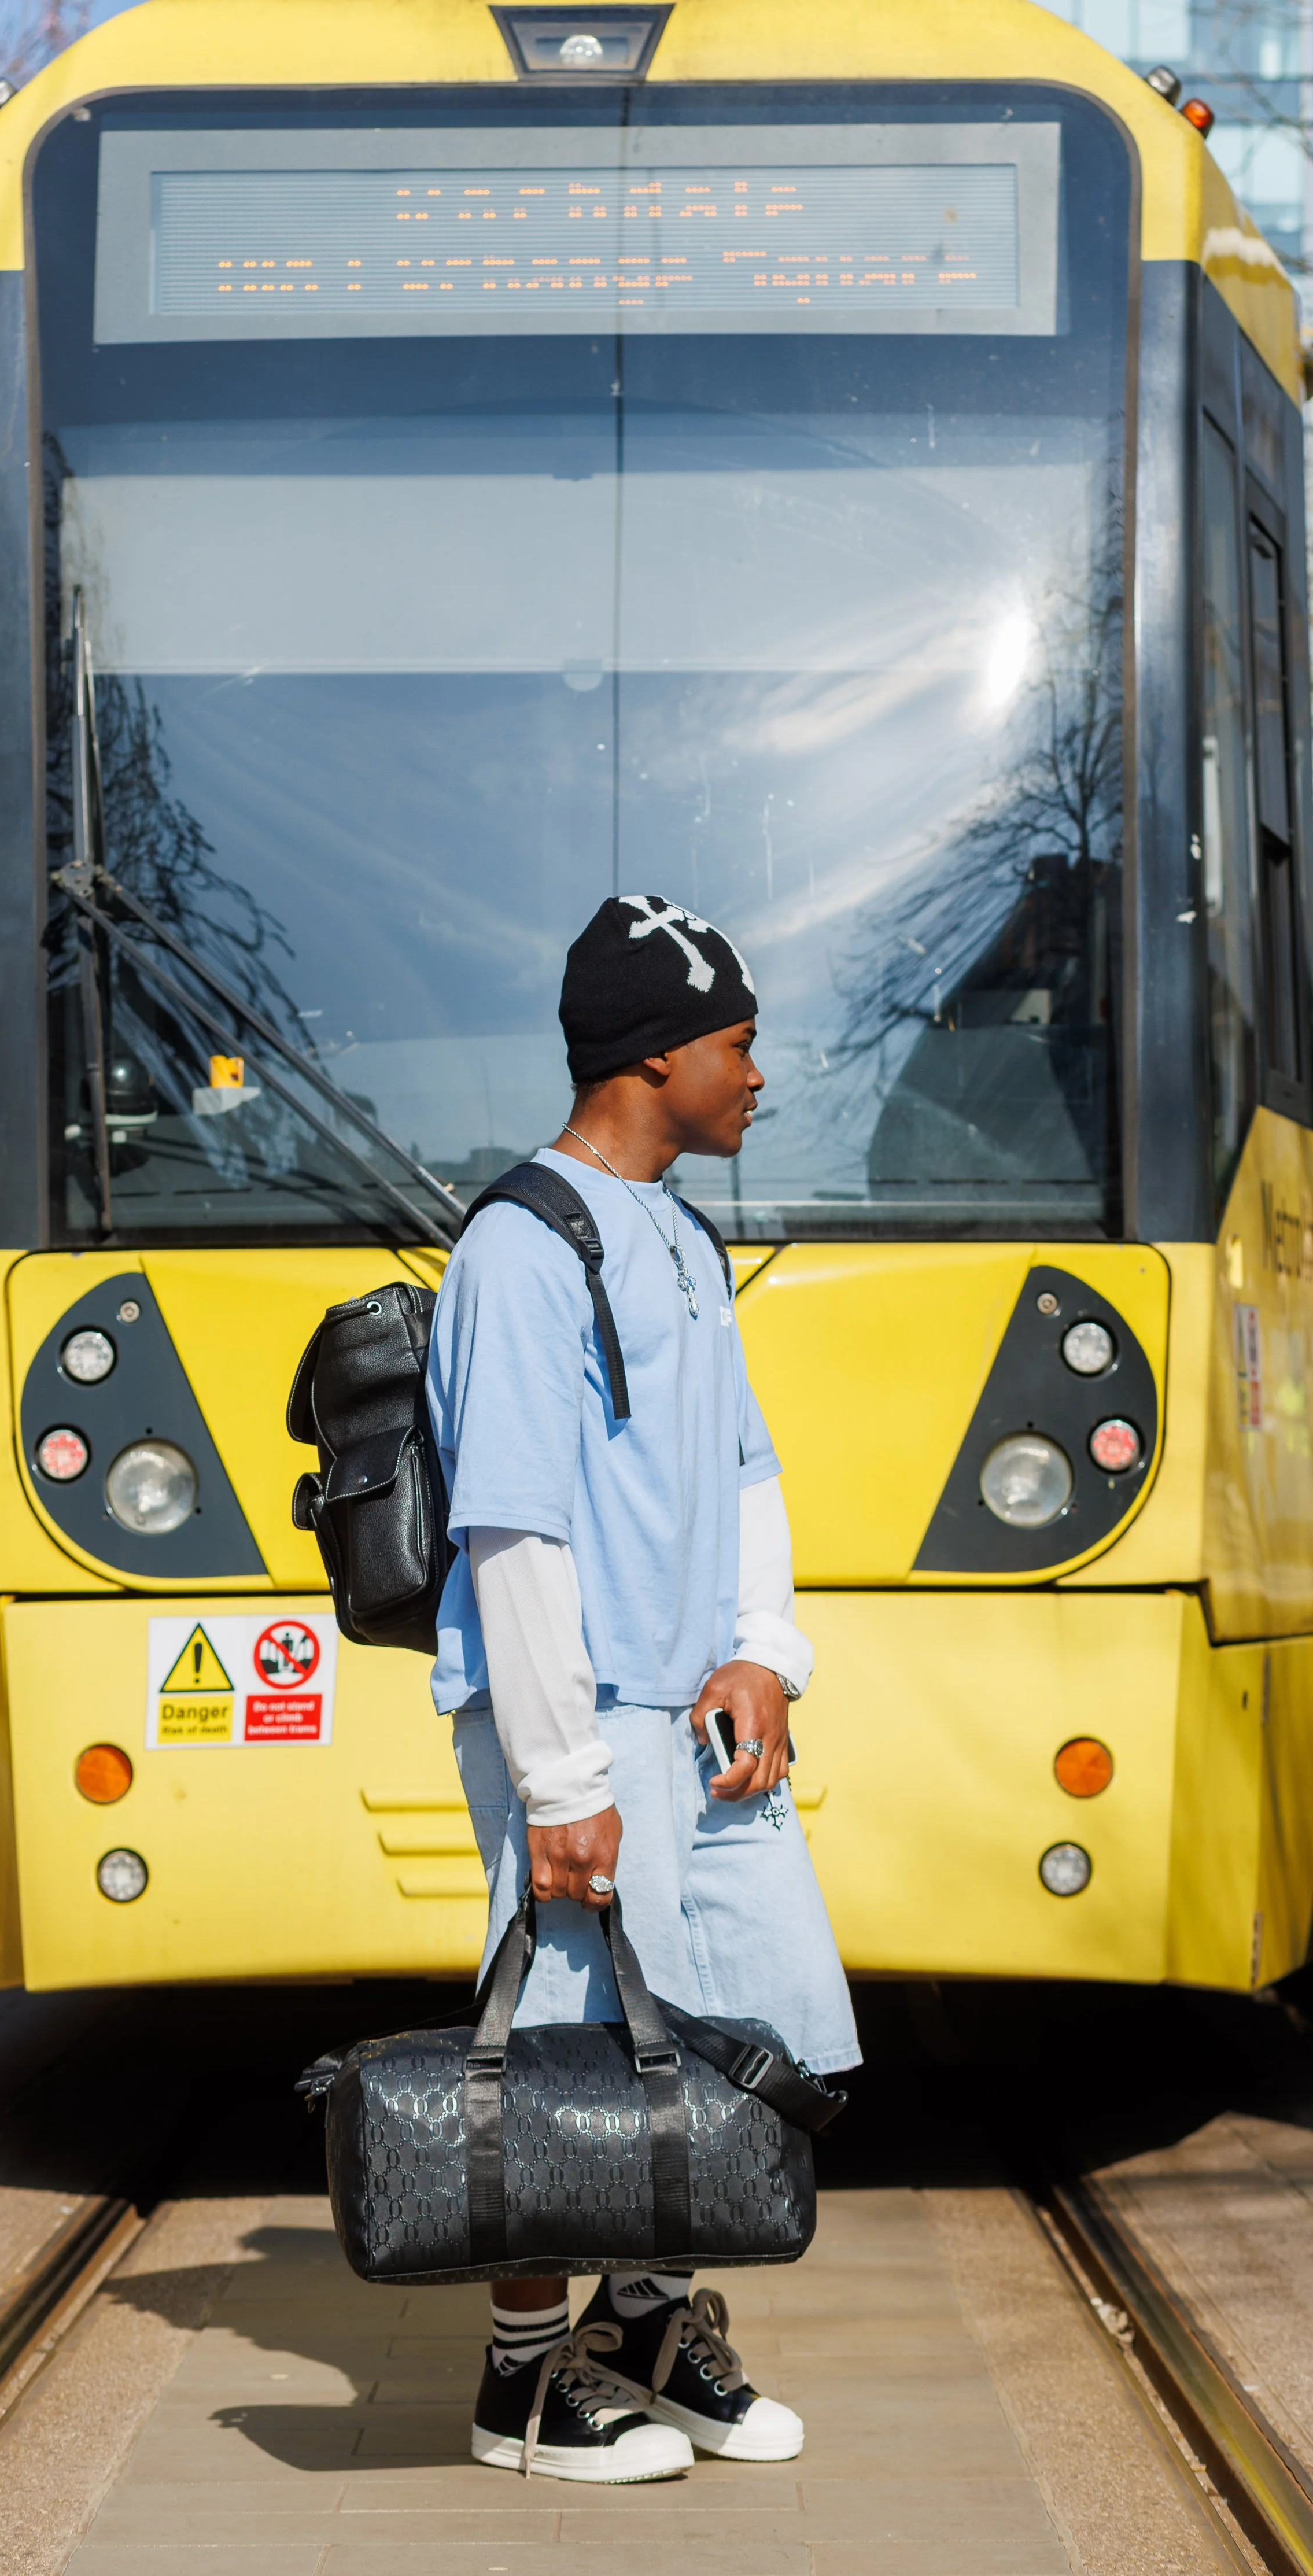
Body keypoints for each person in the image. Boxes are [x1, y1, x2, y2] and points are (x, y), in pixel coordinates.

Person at [426, 893, 860, 2484]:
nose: (759, 1074)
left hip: (700, 1707)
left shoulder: (679, 1232)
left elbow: (746, 1466)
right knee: (565, 2040)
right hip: (586, 1715)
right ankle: (523, 2379)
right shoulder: (518, 1253)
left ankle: (648, 2328)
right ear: (655, 1052)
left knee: (730, 2023)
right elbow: (513, 1528)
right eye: (739, 1044)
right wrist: (559, 1785)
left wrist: (765, 1644)